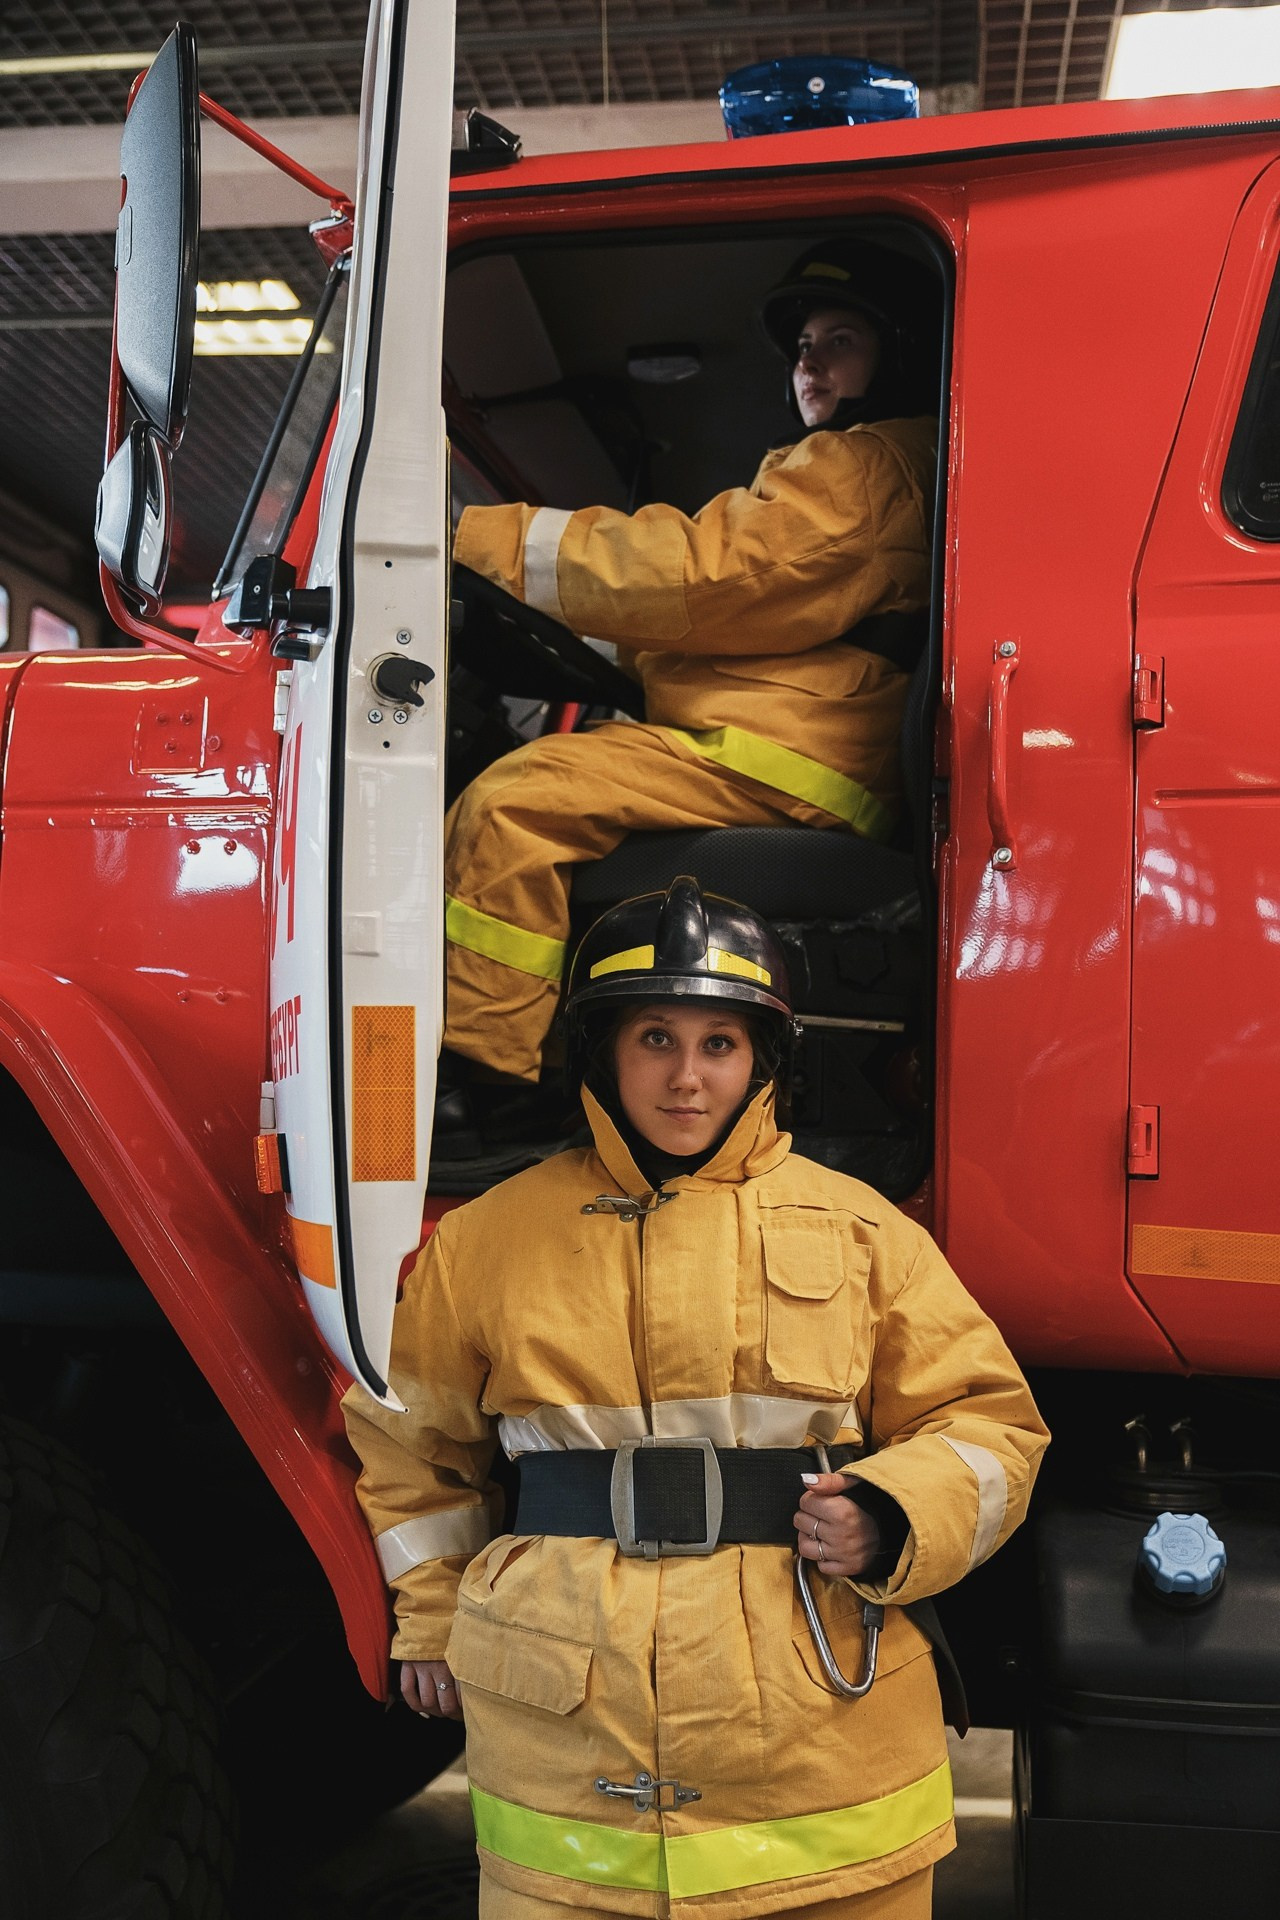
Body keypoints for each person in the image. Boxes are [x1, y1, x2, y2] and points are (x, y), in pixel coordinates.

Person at [343, 877, 1049, 1920]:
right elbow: (413, 1449)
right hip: (567, 1753)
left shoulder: (862, 1233)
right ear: (602, 1054)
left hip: (822, 1771)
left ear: (762, 1060)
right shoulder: (482, 1244)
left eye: (717, 1045)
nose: (686, 1078)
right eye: (655, 1039)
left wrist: (892, 1509)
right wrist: (430, 1615)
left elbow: (990, 1426)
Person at [440, 237, 939, 1118]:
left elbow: (710, 580)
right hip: (796, 744)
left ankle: (486, 1082)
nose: (809, 362)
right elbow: (731, 625)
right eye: (801, 348)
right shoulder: (890, 465)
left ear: (898, 351)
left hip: (783, 754)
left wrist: (484, 542)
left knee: (512, 804)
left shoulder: (863, 466)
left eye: (839, 341)